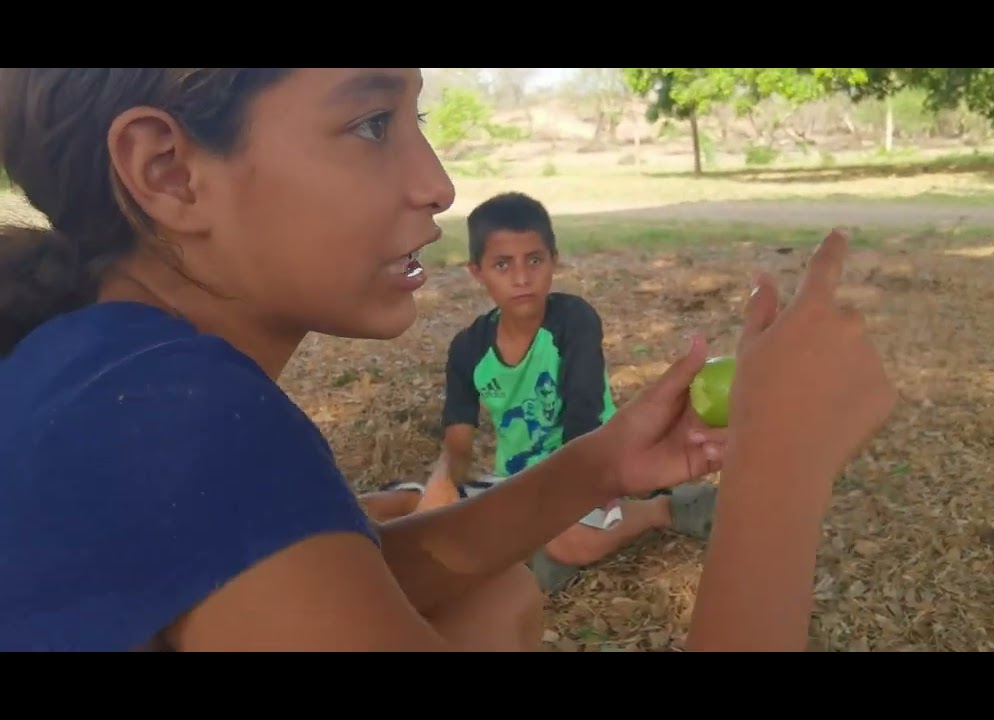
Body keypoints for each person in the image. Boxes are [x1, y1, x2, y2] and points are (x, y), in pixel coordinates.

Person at [0, 68, 897, 652]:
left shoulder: (98, 366)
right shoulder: (177, 424)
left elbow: (344, 578)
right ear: (166, 171)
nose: (436, 181)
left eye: (416, 118)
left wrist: (604, 463)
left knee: (492, 598)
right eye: (370, 123)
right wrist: (782, 471)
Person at [415, 191, 719, 594]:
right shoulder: (468, 349)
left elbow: (584, 417)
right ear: (477, 272)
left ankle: (661, 508)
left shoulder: (573, 320)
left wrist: (575, 497)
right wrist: (442, 486)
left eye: (535, 260)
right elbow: (458, 440)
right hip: (517, 482)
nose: (522, 278)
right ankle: (539, 552)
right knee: (410, 512)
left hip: (592, 464)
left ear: (554, 261)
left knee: (568, 537)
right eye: (503, 264)